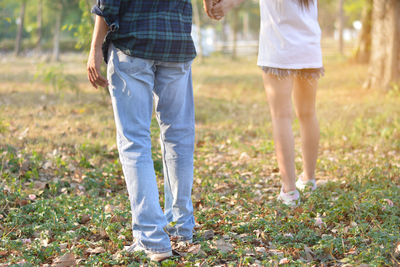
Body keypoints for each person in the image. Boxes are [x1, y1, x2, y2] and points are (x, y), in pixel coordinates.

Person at [87, 0, 214, 261]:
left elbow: (108, 3)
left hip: (133, 43)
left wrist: (95, 48)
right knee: (178, 137)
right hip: (175, 42)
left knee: (135, 140)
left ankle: (152, 238)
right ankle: (180, 229)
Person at [210, 0, 323, 207]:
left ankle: (289, 191)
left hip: (279, 48)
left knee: (281, 116)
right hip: (309, 46)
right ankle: (309, 179)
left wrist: (224, 6)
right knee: (308, 114)